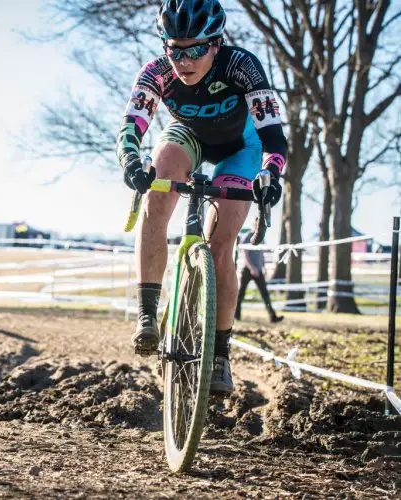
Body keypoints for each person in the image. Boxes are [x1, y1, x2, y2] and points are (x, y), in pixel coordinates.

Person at [116, 0, 288, 395]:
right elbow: (132, 126)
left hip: (240, 147)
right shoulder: (156, 72)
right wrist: (130, 160)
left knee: (221, 242)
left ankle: (221, 355)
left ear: (215, 44)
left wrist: (270, 173)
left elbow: (273, 136)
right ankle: (147, 314)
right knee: (155, 195)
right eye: (174, 48)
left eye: (194, 49)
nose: (183, 60)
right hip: (188, 136)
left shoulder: (242, 66)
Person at [234, 220, 284, 323]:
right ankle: (236, 316)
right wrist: (252, 268)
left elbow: (262, 254)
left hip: (259, 269)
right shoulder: (247, 236)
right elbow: (245, 254)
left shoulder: (261, 237)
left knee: (265, 294)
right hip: (248, 270)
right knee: (241, 293)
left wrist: (264, 268)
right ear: (254, 225)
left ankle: (273, 317)